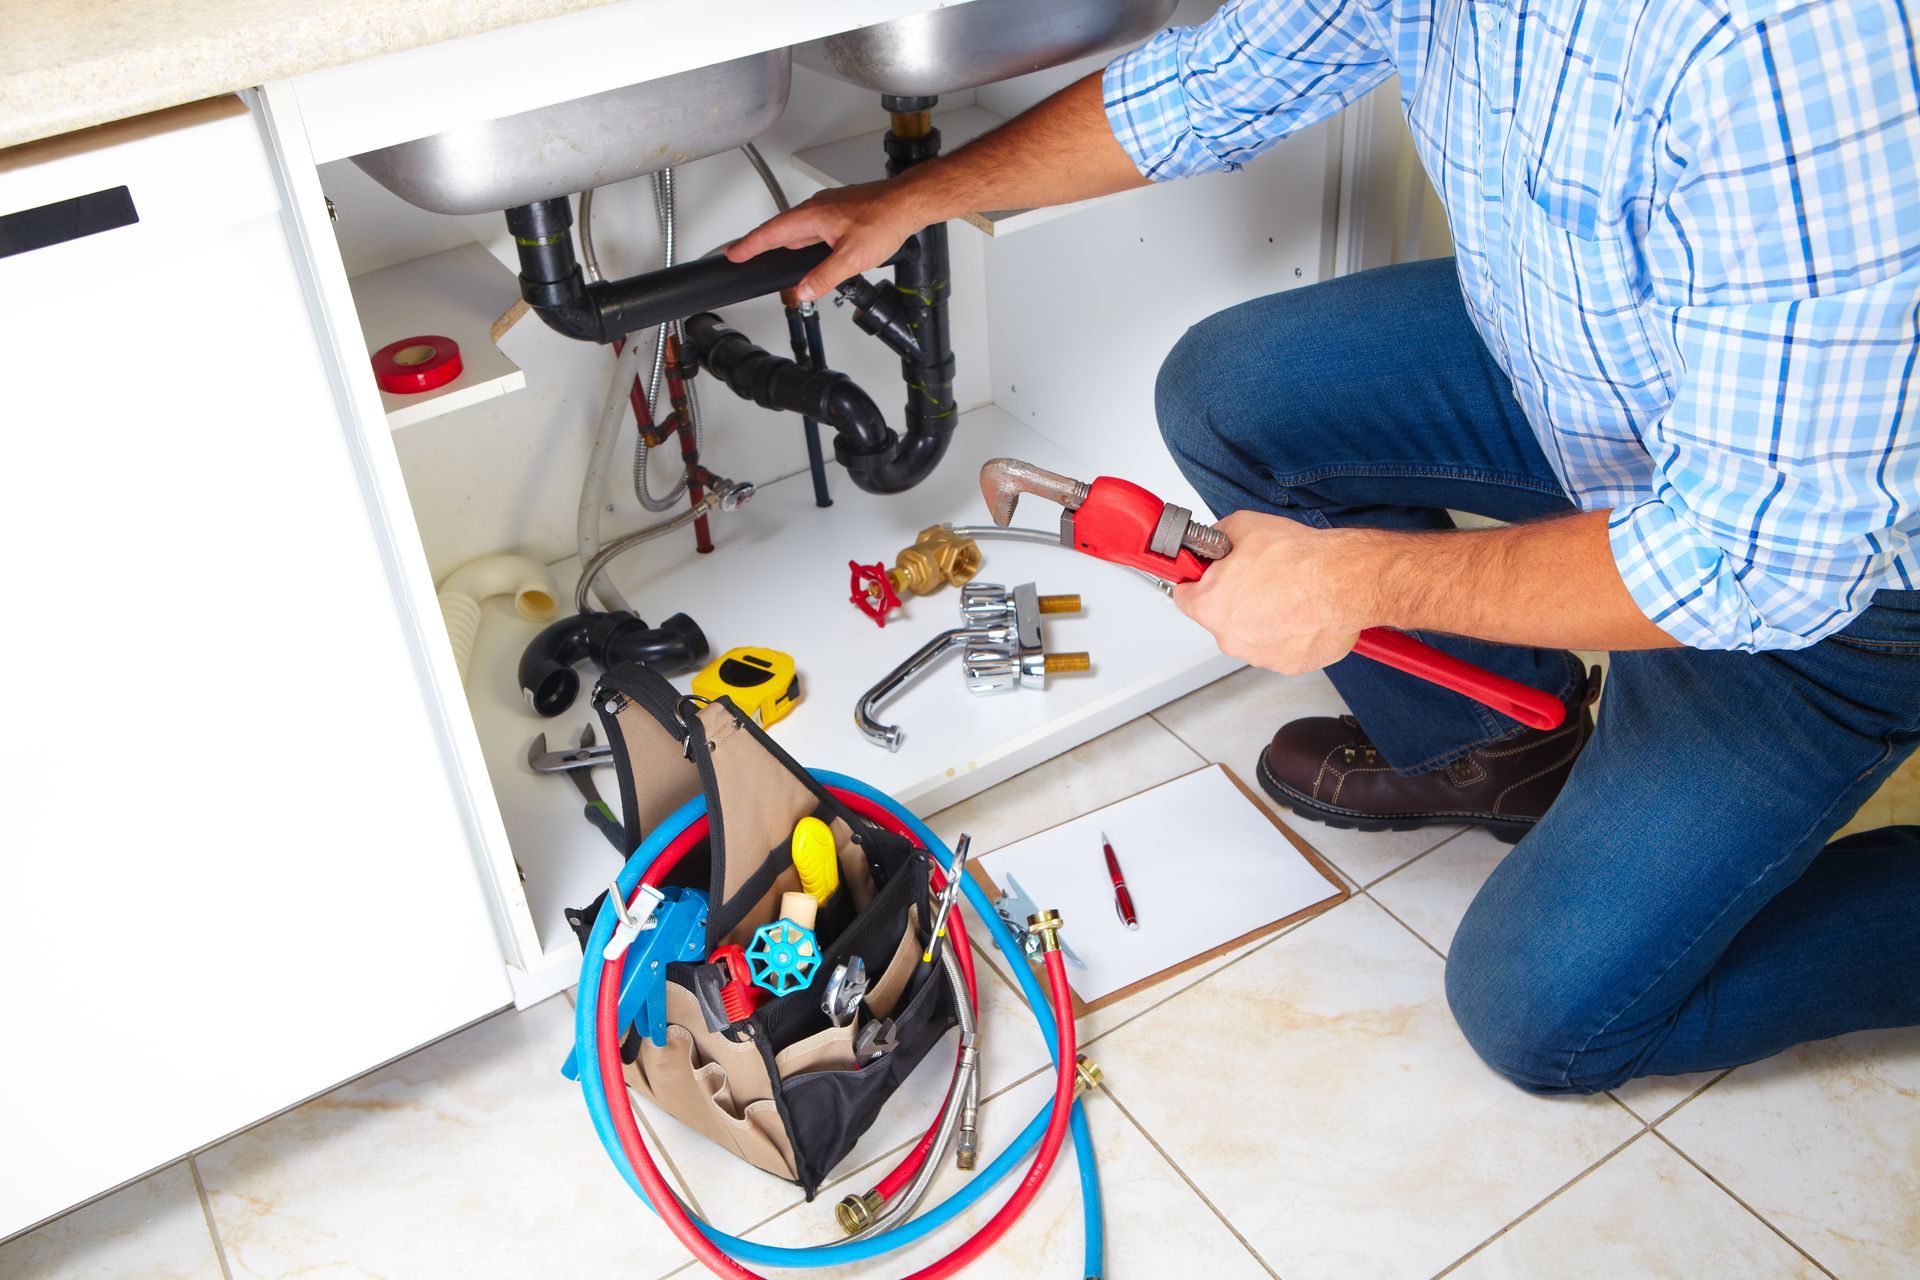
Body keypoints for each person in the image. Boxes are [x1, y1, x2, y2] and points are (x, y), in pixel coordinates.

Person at [729, 0, 1920, 1093]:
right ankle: (1500, 746)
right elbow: (1210, 83)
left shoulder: (1782, 43)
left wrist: (1363, 578)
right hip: (1606, 401)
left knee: (1542, 1014)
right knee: (1233, 391)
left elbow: (1759, 562)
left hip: (1831, 591)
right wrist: (915, 197)